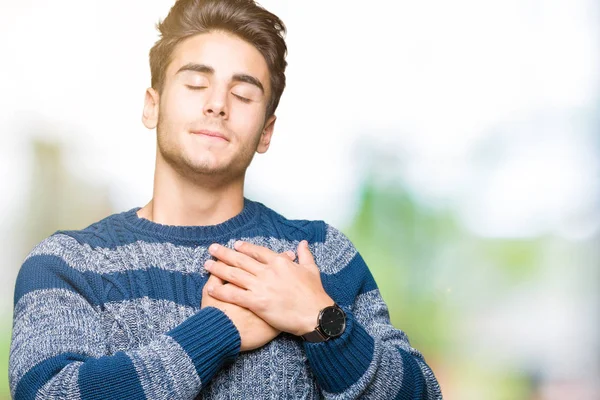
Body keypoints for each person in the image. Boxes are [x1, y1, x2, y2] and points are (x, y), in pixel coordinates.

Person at [9, 0, 443, 398]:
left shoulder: (320, 256)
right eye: (196, 83)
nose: (218, 103)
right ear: (151, 107)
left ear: (266, 132)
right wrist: (218, 330)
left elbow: (423, 393)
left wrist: (323, 321)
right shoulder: (66, 265)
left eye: (243, 94)